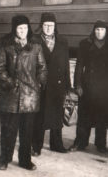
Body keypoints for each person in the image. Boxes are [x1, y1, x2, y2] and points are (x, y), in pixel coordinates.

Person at [0, 15, 47, 171]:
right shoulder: (4, 45)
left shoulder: (36, 46)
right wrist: (10, 83)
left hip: (30, 96)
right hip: (11, 95)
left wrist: (39, 83)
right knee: (8, 131)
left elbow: (42, 67)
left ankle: (25, 160)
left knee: (27, 132)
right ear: (14, 29)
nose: (23, 31)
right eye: (19, 28)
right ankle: (4, 159)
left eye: (25, 28)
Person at [69, 20, 108, 153]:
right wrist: (77, 84)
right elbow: (79, 66)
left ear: (106, 31)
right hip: (87, 85)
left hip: (104, 87)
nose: (99, 32)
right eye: (97, 30)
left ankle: (101, 145)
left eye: (102, 30)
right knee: (84, 117)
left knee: (102, 117)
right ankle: (80, 142)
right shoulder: (85, 44)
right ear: (93, 31)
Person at [31, 12, 71, 156]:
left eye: (51, 25)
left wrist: (68, 85)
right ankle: (36, 146)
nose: (48, 28)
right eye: (46, 25)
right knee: (39, 117)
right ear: (41, 26)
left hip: (58, 85)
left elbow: (66, 64)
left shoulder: (62, 41)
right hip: (41, 84)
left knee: (57, 115)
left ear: (55, 26)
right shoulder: (34, 40)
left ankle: (57, 144)